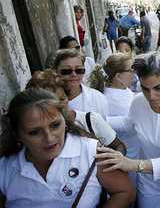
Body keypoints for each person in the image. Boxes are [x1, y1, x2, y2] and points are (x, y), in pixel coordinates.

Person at [95, 51, 160, 208]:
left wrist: (132, 164)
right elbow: (128, 122)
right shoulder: (138, 100)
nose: (151, 96)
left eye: (158, 88)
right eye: (145, 89)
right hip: (148, 181)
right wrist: (95, 120)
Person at [0, 88, 135, 207]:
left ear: (64, 121)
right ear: (18, 135)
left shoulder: (91, 153)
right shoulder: (5, 168)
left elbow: (125, 192)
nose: (49, 138)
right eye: (34, 132)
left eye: (55, 125)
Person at [25, 69, 126, 155]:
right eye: (51, 103)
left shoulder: (89, 120)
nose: (59, 106)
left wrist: (115, 159)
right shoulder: (32, 133)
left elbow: (119, 145)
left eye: (62, 99)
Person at [87, 52, 141, 195]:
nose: (134, 74)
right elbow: (132, 123)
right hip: (128, 155)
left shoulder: (120, 90)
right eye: (131, 70)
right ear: (118, 76)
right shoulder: (115, 99)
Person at [54, 49, 109, 116]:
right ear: (56, 72)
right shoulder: (48, 100)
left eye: (79, 70)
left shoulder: (98, 98)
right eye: (67, 71)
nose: (74, 74)